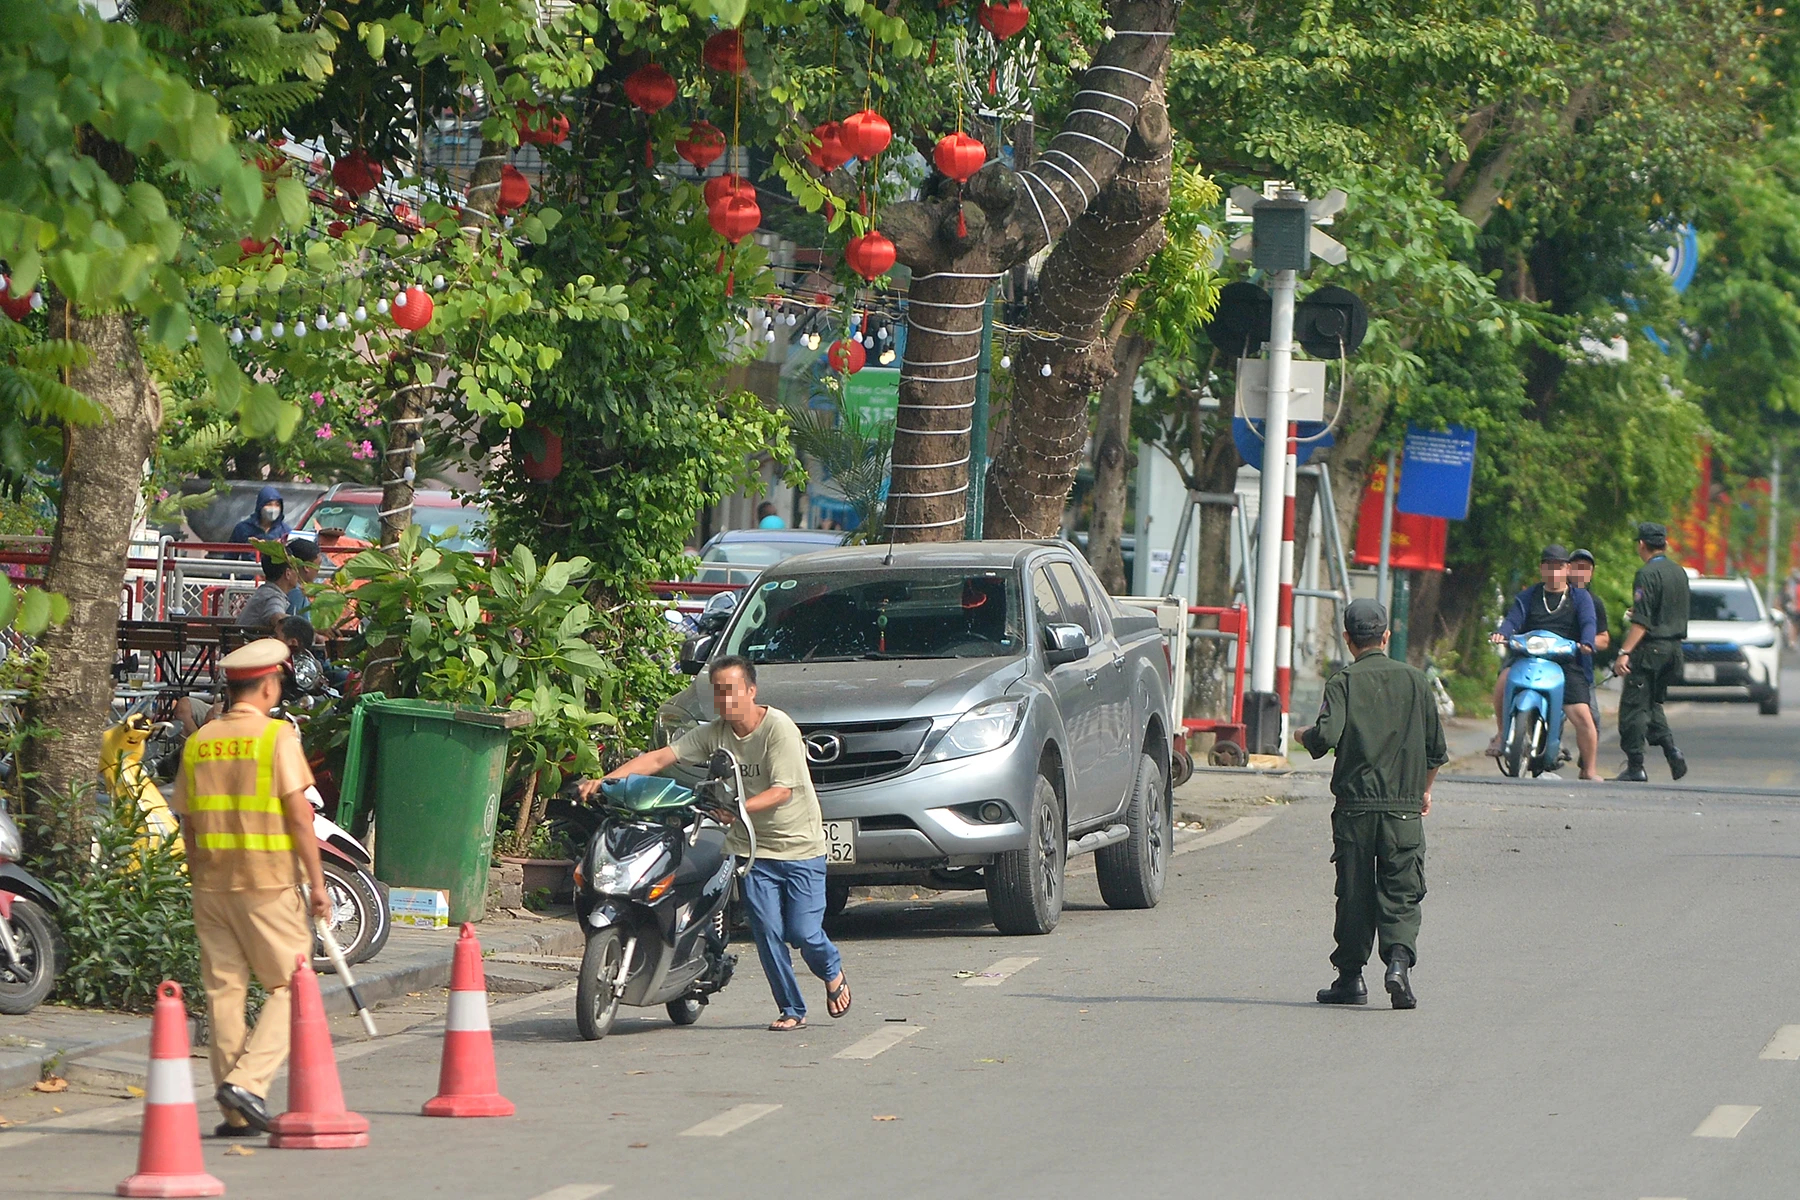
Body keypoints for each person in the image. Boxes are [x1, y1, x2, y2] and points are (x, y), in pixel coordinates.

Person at [579, 655, 850, 1030]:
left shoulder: (778, 728)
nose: (724, 700)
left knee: (803, 933)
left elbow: (781, 792)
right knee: (767, 932)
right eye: (717, 692)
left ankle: (831, 970)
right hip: (753, 851)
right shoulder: (716, 732)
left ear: (751, 691)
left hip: (799, 847)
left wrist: (736, 809)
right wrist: (605, 782)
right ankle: (792, 1009)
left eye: (731, 691)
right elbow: (660, 757)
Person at [169, 639, 330, 1136]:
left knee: (225, 993)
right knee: (293, 984)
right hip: (268, 883)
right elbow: (300, 819)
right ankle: (249, 1082)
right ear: (266, 686)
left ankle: (234, 1114)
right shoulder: (277, 737)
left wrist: (201, 877)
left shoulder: (199, 742)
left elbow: (188, 822)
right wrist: (318, 883)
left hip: (213, 885)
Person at [1297, 600, 1447, 1010]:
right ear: (1386, 637)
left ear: (1348, 639)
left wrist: (1302, 736)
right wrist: (1423, 791)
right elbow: (1436, 751)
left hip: (1355, 808)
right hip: (1403, 809)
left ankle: (1350, 978)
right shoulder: (1417, 683)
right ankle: (1398, 966)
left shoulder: (1342, 682)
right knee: (1401, 892)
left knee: (1355, 893)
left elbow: (1327, 735)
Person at [1486, 545, 1600, 781]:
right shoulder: (1529, 596)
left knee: (1583, 716)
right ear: (1541, 568)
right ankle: (1501, 733)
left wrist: (1587, 641)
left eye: (1558, 566)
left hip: (1565, 662)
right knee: (1503, 682)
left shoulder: (1580, 598)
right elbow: (1513, 619)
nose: (1553, 571)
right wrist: (1502, 633)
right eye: (1548, 566)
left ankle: (1589, 769)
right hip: (1527, 656)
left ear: (1567, 569)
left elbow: (1589, 622)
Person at [1615, 522, 1691, 782]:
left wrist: (1624, 652)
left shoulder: (1646, 574)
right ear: (1665, 544)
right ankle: (1672, 751)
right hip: (1674, 651)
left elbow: (1642, 622)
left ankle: (1636, 765)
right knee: (1649, 704)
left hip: (1651, 650)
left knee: (1634, 708)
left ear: (1641, 545)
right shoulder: (1679, 572)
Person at [1568, 548, 1610, 734]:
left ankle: (1586, 761)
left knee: (1592, 719)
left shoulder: (1595, 602)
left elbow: (1604, 639)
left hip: (1580, 670)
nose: (1580, 573)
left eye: (1586, 569)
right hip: (1550, 667)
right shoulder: (1555, 597)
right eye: (1577, 567)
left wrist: (1585, 643)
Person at [237, 552, 300, 633]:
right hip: (254, 644)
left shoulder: (264, 592)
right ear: (288, 573)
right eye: (296, 568)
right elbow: (277, 617)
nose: (298, 572)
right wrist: (304, 628)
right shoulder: (273, 597)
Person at [284, 536, 320, 617]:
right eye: (318, 565)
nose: (318, 570)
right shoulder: (297, 593)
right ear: (306, 567)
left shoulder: (288, 588)